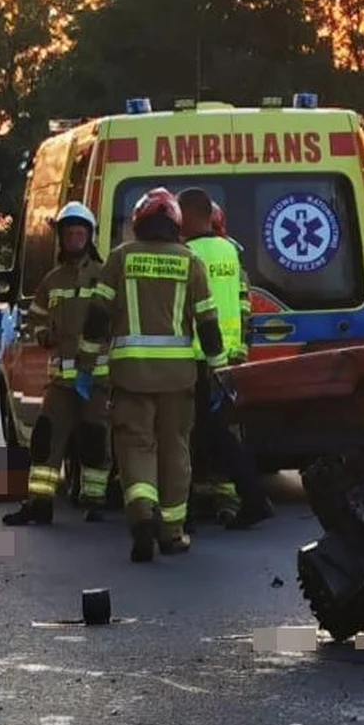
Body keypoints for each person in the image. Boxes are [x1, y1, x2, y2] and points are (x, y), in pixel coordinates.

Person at [76, 187, 230, 562]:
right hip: (178, 378)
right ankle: (172, 532)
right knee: (175, 449)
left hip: (131, 376)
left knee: (135, 446)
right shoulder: (189, 261)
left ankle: (143, 514)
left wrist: (85, 366)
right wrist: (219, 371)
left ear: (139, 223)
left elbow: (98, 317)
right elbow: (208, 324)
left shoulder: (119, 258)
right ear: (174, 223)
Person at [2, 201, 111, 526]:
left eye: (80, 233)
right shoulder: (52, 280)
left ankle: (95, 501)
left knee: (94, 440)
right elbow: (35, 318)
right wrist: (42, 333)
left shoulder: (104, 277)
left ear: (89, 237)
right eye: (70, 234)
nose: (75, 239)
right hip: (62, 381)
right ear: (62, 238)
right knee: (45, 439)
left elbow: (119, 321)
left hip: (96, 380)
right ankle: (40, 502)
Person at [179, 189, 273, 532]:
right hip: (228, 360)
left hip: (195, 359)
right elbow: (242, 303)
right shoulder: (230, 252)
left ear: (189, 215)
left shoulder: (186, 254)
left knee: (187, 436)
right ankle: (247, 499)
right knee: (219, 434)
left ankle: (188, 511)